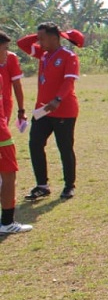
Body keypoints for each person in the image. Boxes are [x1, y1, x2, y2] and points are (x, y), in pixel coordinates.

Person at [18, 23, 83, 201]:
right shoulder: (43, 54)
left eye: (43, 38)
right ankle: (42, 185)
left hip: (64, 110)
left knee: (64, 148)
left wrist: (58, 99)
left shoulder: (69, 56)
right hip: (43, 110)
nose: (39, 42)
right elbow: (21, 44)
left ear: (55, 38)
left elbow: (69, 82)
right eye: (38, 38)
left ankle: (69, 186)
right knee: (35, 144)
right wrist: (38, 35)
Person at [0, 67, 29, 234]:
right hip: (2, 135)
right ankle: (7, 223)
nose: (7, 54)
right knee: (9, 175)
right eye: (4, 49)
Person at [0, 31, 25, 128]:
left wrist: (21, 110)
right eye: (5, 48)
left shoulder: (11, 58)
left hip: (4, 105)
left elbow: (17, 85)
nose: (7, 52)